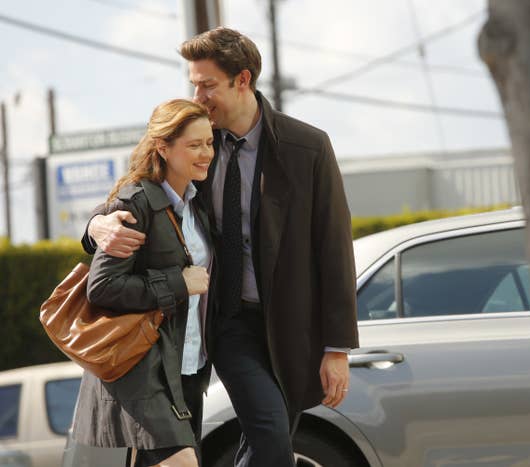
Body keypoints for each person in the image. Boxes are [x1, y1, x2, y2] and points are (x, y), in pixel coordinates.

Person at [84, 27, 359, 466]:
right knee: (271, 437)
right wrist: (97, 224)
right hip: (226, 321)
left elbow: (334, 250)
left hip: (291, 328)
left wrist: (337, 348)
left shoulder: (307, 147)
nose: (198, 94)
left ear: (243, 80)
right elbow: (134, 192)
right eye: (194, 83)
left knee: (267, 443)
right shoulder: (193, 144)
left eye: (207, 84)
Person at [73, 99, 215, 467]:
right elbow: (102, 287)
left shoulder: (197, 201)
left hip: (189, 368)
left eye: (209, 143)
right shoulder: (135, 203)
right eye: (194, 145)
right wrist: (178, 283)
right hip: (145, 371)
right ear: (163, 148)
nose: (206, 154)